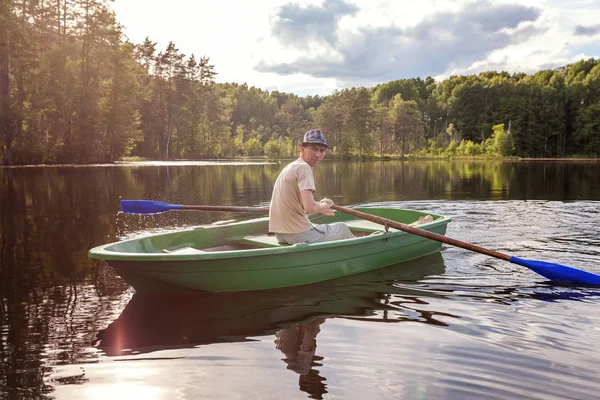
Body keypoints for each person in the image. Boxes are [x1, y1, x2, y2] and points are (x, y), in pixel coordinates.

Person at [269, 129, 355, 245]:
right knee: (342, 228)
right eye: (314, 149)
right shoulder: (304, 168)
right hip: (298, 234)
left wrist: (320, 208)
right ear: (302, 149)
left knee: (318, 226)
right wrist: (327, 204)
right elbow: (310, 208)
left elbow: (302, 206)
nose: (318, 154)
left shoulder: (290, 167)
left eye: (322, 150)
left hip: (281, 235)